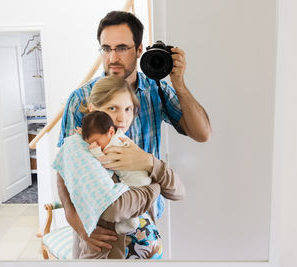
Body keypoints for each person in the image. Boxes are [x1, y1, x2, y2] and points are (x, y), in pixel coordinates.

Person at [58, 10, 211, 257]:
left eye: (121, 48)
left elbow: (202, 133)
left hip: (144, 224)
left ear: (139, 50)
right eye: (106, 49)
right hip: (97, 230)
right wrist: (79, 224)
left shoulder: (155, 90)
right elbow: (65, 169)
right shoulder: (81, 99)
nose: (112, 57)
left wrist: (179, 85)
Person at [56, 76, 185, 259]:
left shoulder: (128, 146)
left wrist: (149, 161)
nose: (122, 118)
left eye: (128, 109)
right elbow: (115, 208)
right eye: (112, 108)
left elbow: (178, 192)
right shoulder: (81, 151)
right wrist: (154, 189)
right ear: (93, 109)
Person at [82, 110, 152, 235]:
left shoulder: (113, 145)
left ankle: (126, 226)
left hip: (135, 182)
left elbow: (107, 162)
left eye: (97, 142)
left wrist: (96, 152)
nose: (95, 145)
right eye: (91, 143)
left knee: (126, 206)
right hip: (142, 179)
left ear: (111, 132)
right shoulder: (119, 137)